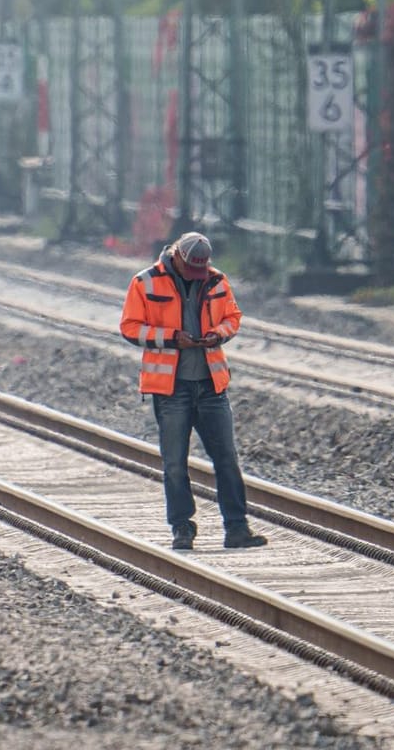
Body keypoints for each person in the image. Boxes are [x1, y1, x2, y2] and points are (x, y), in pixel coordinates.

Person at [120, 231, 267, 552]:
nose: (196, 276)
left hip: (211, 386)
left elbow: (233, 317)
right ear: (177, 257)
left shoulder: (215, 280)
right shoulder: (145, 282)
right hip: (171, 389)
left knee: (226, 458)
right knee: (174, 462)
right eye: (191, 269)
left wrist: (218, 334)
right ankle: (182, 529)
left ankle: (237, 528)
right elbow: (131, 327)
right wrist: (172, 337)